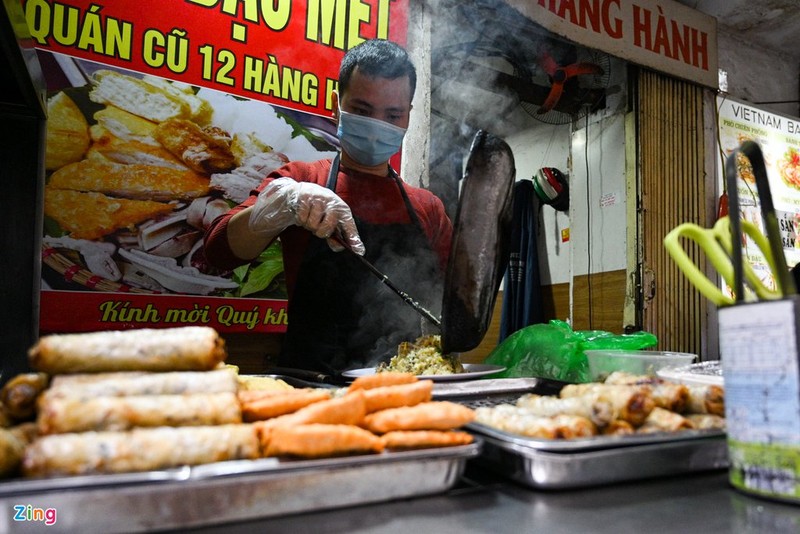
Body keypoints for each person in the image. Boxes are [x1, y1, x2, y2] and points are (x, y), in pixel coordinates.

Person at [203, 39, 453, 374]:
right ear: (336, 107)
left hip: (399, 384)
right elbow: (219, 251)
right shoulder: (302, 179)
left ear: (407, 117)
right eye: (362, 111)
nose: (378, 126)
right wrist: (281, 206)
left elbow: (457, 294)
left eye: (392, 115)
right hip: (307, 383)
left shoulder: (427, 207)